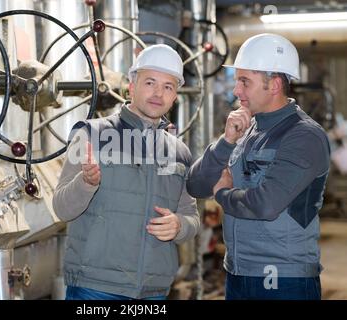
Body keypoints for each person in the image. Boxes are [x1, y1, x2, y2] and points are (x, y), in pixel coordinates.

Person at [186, 33, 330, 300]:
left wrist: (222, 195)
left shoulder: (304, 136)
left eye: (244, 81)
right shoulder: (247, 130)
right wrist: (226, 142)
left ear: (274, 84)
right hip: (238, 272)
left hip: (283, 277)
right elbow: (195, 185)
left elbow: (266, 203)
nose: (236, 90)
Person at [53, 44, 200, 300]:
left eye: (168, 86)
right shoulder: (89, 134)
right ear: (131, 86)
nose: (158, 93)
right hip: (96, 288)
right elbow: (62, 208)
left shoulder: (179, 152)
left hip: (154, 290)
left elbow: (192, 217)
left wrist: (179, 225)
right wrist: (86, 183)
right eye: (150, 82)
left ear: (175, 95)